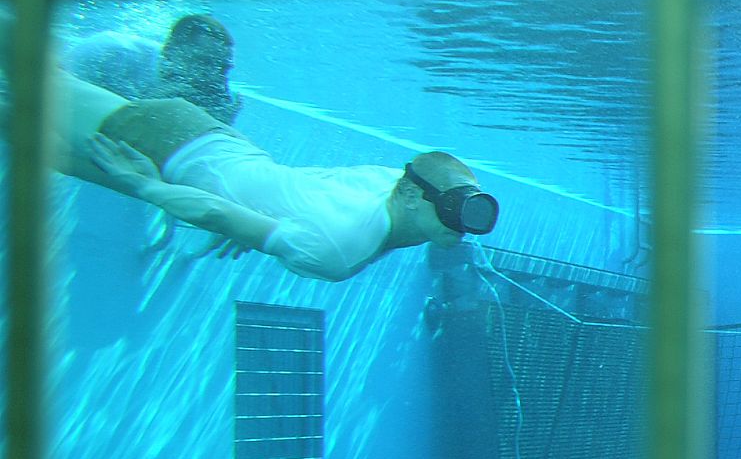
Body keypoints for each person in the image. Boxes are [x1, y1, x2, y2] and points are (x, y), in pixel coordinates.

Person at [54, 71, 498, 282]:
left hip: (203, 138)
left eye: (470, 211)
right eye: (452, 208)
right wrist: (144, 186)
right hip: (163, 154)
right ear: (408, 194)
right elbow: (213, 213)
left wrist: (252, 219)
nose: (462, 226)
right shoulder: (339, 249)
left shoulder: (390, 182)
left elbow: (302, 190)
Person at [64, 13, 242, 124]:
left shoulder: (217, 95)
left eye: (224, 69)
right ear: (169, 52)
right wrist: (150, 102)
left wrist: (221, 123)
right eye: (204, 63)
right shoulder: (107, 52)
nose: (214, 77)